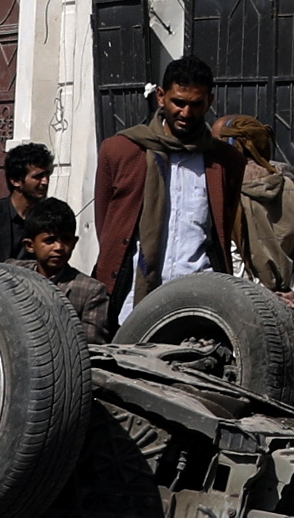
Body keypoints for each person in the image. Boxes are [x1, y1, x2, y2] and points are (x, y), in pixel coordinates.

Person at [92, 56, 240, 323]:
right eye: (179, 103)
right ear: (161, 97)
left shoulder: (225, 161)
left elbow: (222, 226)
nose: (186, 113)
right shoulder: (120, 150)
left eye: (196, 104)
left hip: (200, 300)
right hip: (131, 301)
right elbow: (108, 225)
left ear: (209, 102)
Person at [215, 112, 294, 300]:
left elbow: (233, 251)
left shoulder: (230, 192)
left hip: (244, 301)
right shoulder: (293, 189)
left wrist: (253, 294)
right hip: (284, 301)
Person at [12, 195, 119, 342]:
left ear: (74, 243)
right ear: (30, 246)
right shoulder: (14, 275)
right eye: (50, 240)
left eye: (66, 239)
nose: (59, 247)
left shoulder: (90, 291)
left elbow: (91, 345)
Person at [0, 142, 59, 264]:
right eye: (38, 176)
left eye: (47, 175)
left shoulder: (49, 218)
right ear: (15, 181)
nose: (45, 182)